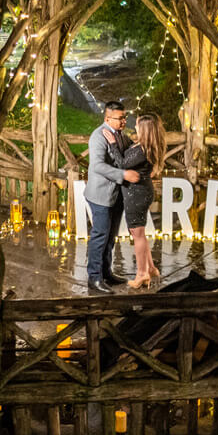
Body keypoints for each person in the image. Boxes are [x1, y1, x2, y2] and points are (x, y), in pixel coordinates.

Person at [85, 100, 137, 294]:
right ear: (107, 118)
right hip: (100, 195)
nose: (124, 121)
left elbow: (127, 156)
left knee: (110, 237)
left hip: (117, 195)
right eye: (120, 118)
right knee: (100, 236)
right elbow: (98, 165)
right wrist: (123, 175)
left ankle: (106, 273)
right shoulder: (98, 136)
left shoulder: (121, 136)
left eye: (125, 117)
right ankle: (94, 279)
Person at [112, 114, 165, 289]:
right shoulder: (143, 145)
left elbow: (121, 164)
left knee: (138, 234)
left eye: (138, 124)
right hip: (138, 192)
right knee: (138, 233)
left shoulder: (143, 150)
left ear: (145, 130)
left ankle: (142, 274)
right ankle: (150, 268)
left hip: (137, 194)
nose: (135, 124)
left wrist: (112, 144)